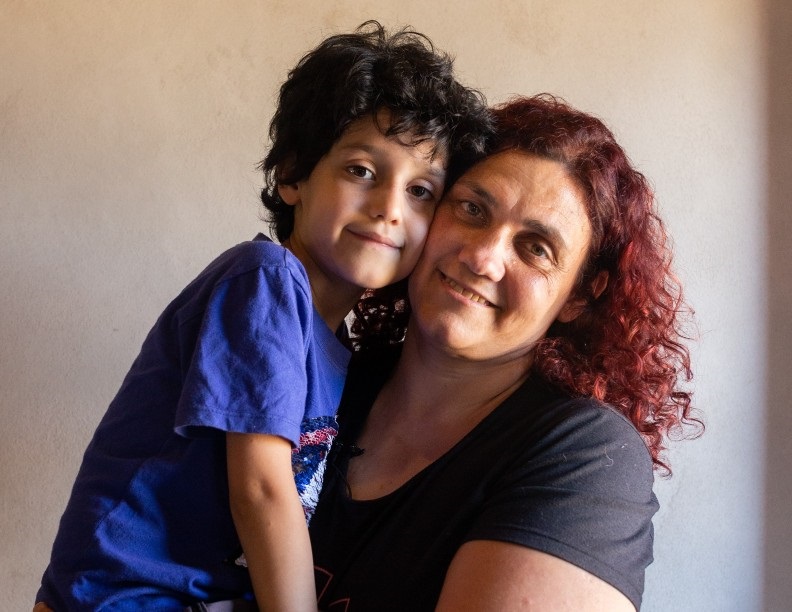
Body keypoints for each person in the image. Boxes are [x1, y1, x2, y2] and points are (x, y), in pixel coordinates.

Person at [34, 22, 490, 611]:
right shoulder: (266, 281)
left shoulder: (335, 345)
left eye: (421, 191)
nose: (389, 210)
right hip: (122, 597)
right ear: (293, 175)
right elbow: (262, 490)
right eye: (361, 171)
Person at [308, 94, 702, 611]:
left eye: (536, 247)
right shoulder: (323, 375)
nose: (482, 257)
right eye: (472, 209)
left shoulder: (586, 459)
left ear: (580, 297)